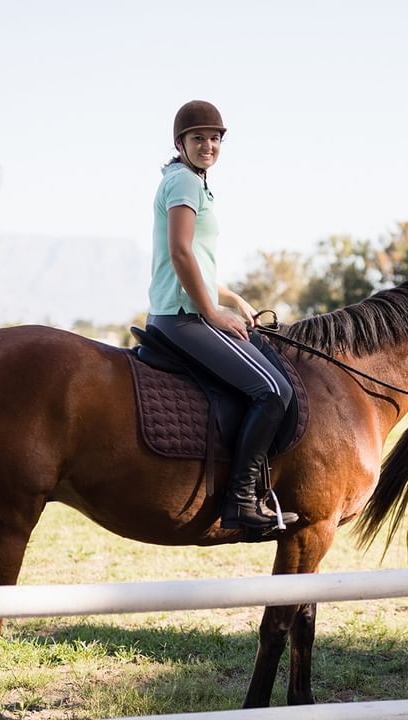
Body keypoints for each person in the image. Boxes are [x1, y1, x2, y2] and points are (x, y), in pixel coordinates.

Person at [147, 99, 298, 532]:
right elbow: (179, 252)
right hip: (182, 318)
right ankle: (242, 501)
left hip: (187, 309)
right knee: (272, 390)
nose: (208, 145)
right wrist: (212, 312)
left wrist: (233, 300)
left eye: (214, 138)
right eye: (198, 138)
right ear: (180, 143)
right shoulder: (184, 184)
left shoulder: (190, 182)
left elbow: (196, 262)